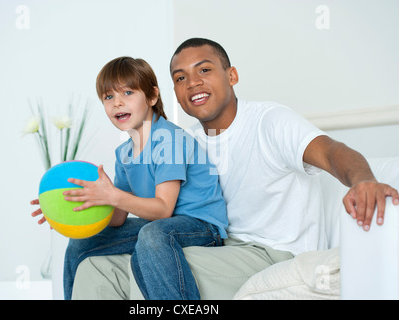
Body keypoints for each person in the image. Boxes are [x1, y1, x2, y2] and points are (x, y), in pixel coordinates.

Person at [62, 38, 399, 300]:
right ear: (174, 93)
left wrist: (364, 179)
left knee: (149, 255)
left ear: (232, 75)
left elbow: (332, 151)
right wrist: (68, 207)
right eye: (181, 77)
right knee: (95, 268)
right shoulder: (190, 140)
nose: (193, 82)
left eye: (204, 70)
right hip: (221, 249)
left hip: (269, 253)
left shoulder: (269, 121)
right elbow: (129, 209)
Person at [31, 56, 228, 300]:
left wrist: (113, 194)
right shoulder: (124, 153)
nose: (117, 103)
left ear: (152, 97)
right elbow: (117, 217)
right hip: (160, 226)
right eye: (108, 97)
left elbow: (164, 210)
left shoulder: (168, 140)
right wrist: (67, 208)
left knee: (153, 233)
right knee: (80, 243)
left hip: (200, 226)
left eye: (127, 92)